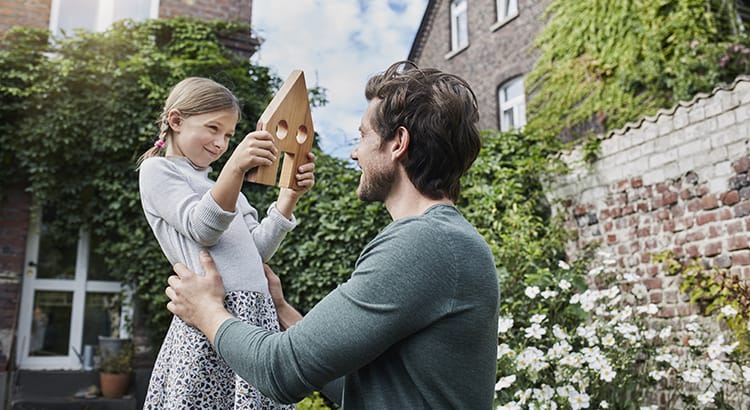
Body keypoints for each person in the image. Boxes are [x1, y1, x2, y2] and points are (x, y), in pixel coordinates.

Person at [165, 62, 500, 409]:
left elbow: (279, 371)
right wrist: (282, 310)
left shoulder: (424, 244)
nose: (354, 152)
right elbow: (358, 385)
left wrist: (205, 311)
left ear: (398, 142)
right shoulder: (441, 240)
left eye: (363, 136)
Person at [137, 77, 315, 409]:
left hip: (256, 314)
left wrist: (288, 198)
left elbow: (256, 252)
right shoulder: (158, 172)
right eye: (213, 128)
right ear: (176, 121)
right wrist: (234, 168)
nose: (221, 143)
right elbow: (202, 227)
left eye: (229, 136)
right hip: (213, 315)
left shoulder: (229, 189)